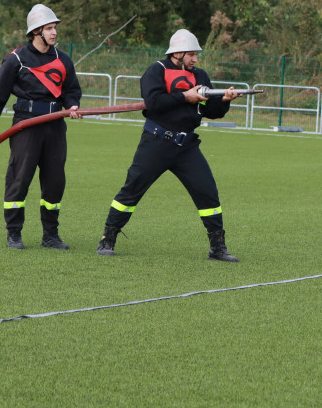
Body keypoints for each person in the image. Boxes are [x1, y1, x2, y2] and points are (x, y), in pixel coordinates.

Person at [95, 28, 242, 261]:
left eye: (196, 55)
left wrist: (224, 101)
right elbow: (153, 103)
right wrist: (186, 96)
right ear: (178, 53)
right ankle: (107, 239)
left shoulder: (200, 75)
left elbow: (211, 111)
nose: (195, 59)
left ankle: (217, 248)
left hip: (187, 146)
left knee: (208, 193)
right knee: (131, 190)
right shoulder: (156, 70)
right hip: (156, 141)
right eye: (191, 54)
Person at [0, 4, 83, 249]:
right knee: (20, 178)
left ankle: (50, 235)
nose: (54, 32)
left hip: (55, 127)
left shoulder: (63, 60)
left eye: (55, 28)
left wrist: (72, 106)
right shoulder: (16, 60)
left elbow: (72, 90)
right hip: (25, 126)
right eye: (49, 28)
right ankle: (14, 233)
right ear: (36, 31)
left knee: (55, 180)